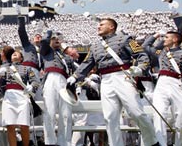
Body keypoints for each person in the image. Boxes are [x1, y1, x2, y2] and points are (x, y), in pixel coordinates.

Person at [68, 18, 159, 146]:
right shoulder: (95, 46)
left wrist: (140, 68)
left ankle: (152, 142)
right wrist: (75, 77)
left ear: (111, 27)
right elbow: (87, 63)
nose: (98, 26)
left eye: (102, 24)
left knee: (136, 112)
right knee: (110, 118)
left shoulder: (125, 39)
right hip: (106, 80)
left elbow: (141, 55)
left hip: (123, 77)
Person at [143, 31, 182, 145]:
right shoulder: (161, 52)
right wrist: (155, 36)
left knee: (180, 115)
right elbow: (145, 46)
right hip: (162, 83)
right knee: (159, 114)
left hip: (177, 83)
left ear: (175, 39)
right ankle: (161, 143)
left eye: (167, 37)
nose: (164, 39)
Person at [0, 50, 39, 146]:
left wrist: (32, 86)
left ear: (21, 58)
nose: (14, 54)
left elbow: (35, 81)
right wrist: (0, 76)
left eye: (17, 53)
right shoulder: (5, 69)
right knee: (10, 126)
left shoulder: (27, 68)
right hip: (9, 97)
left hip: (22, 97)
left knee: (24, 125)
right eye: (13, 53)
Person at [40, 30, 76, 146]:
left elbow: (74, 72)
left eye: (58, 38)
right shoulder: (46, 52)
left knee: (66, 114)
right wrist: (49, 32)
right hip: (50, 78)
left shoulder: (67, 57)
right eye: (53, 38)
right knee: (49, 112)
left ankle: (65, 142)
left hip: (64, 81)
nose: (56, 40)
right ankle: (50, 142)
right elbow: (44, 42)